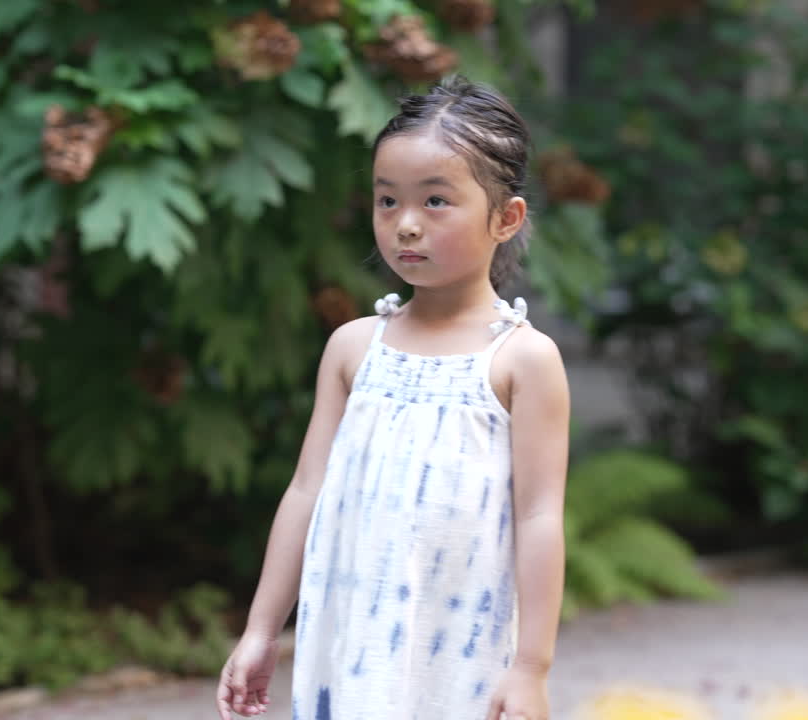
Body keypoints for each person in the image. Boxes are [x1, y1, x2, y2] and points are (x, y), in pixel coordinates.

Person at [216, 76, 570, 720]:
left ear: (505, 218)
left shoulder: (522, 360)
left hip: (460, 647)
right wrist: (262, 630)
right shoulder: (355, 348)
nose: (405, 225)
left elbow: (540, 517)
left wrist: (530, 668)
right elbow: (306, 490)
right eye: (387, 201)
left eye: (436, 201)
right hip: (349, 643)